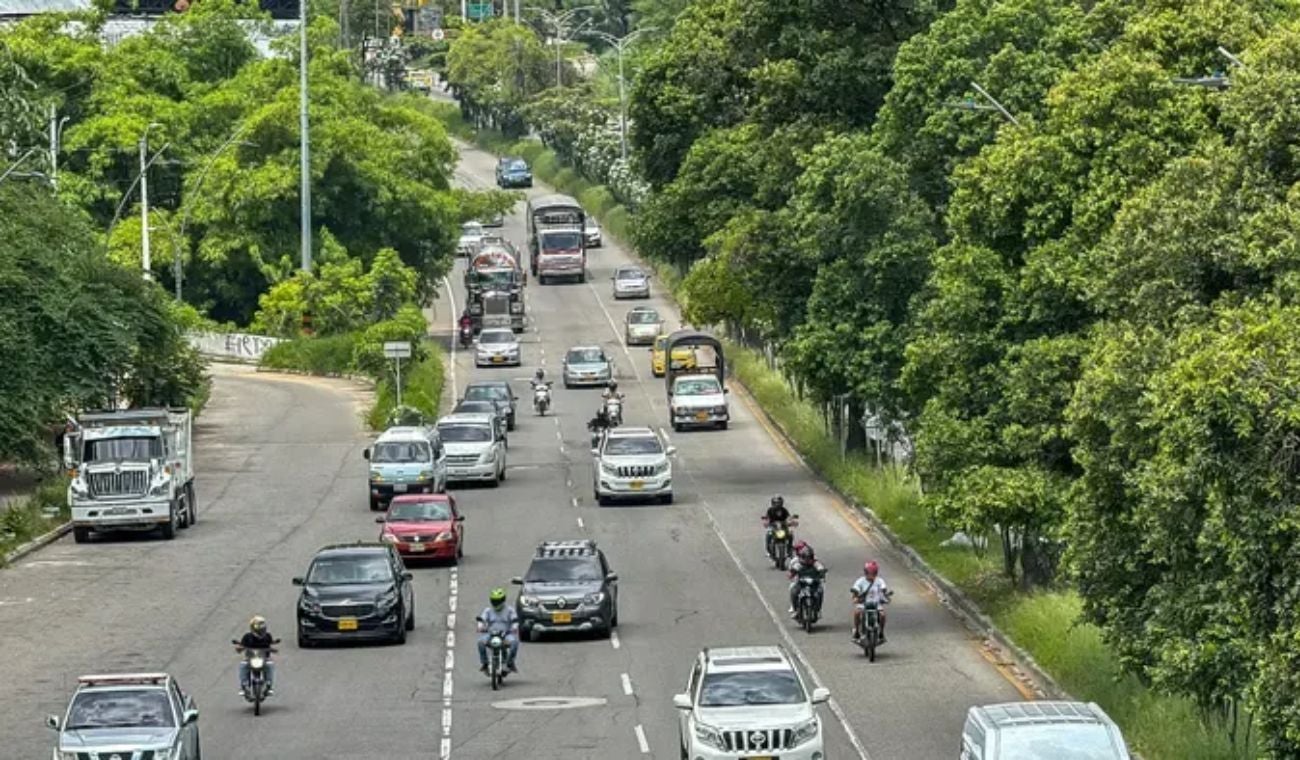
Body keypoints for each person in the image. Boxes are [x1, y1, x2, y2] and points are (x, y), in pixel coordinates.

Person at [476, 588, 520, 673]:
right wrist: (480, 626)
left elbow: (515, 620)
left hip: (506, 635)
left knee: (514, 643)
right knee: (480, 642)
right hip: (491, 634)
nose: (496, 603)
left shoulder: (510, 610)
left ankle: (510, 663)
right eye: (494, 601)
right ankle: (485, 663)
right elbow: (482, 619)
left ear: (503, 600)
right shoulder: (488, 610)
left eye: (498, 601)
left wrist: (514, 627)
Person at [850, 561, 892, 643]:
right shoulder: (860, 581)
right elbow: (855, 590)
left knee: (882, 615)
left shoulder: (880, 581)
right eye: (869, 572)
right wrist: (856, 597)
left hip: (876, 604)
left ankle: (881, 632)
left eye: (873, 573)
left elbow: (884, 590)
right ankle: (856, 631)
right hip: (863, 604)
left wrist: (886, 597)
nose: (871, 575)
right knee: (857, 613)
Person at [236, 615, 276, 696]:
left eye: (262, 626)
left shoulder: (267, 636)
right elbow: (241, 646)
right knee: (243, 665)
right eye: (259, 626)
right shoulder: (247, 637)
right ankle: (244, 684)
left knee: (270, 665)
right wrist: (240, 648)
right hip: (250, 658)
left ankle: (269, 684)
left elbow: (271, 644)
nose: (261, 629)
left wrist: (273, 649)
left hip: (264, 658)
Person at [787, 543, 826, 619]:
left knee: (820, 591)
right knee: (793, 591)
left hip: (814, 583)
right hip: (801, 584)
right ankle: (795, 609)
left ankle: (818, 610)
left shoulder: (816, 563)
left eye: (809, 557)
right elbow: (793, 571)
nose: (807, 560)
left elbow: (820, 568)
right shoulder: (798, 564)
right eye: (805, 557)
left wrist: (822, 572)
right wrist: (792, 573)